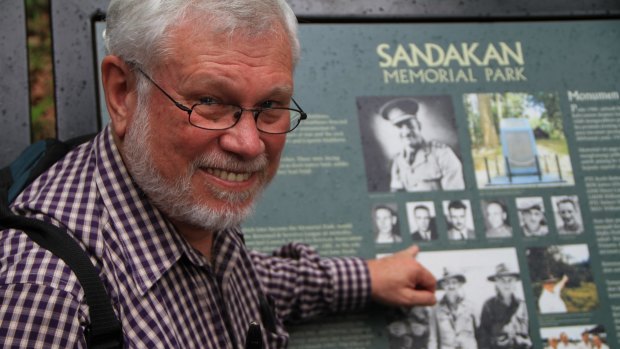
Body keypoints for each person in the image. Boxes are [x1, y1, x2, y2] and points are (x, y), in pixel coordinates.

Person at [0, 1, 437, 347]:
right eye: (209, 101)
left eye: (270, 106)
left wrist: (368, 278)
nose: (248, 144)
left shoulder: (179, 204)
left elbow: (220, 273)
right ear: (123, 93)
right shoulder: (47, 296)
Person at [379, 98, 465, 192]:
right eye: (399, 126)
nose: (406, 132)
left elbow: (454, 195)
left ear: (419, 126)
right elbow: (396, 196)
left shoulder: (442, 154)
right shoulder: (398, 162)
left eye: (410, 125)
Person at [478, 263, 532, 349]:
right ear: (496, 283)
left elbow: (533, 336)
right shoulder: (488, 306)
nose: (506, 284)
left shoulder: (524, 306)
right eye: (502, 280)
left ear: (515, 282)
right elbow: (483, 339)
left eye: (510, 280)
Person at [428, 267, 478, 349]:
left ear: (459, 284)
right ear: (443, 285)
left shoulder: (471, 307)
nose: (451, 286)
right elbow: (433, 339)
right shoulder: (436, 310)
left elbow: (480, 335)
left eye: (454, 282)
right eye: (447, 283)